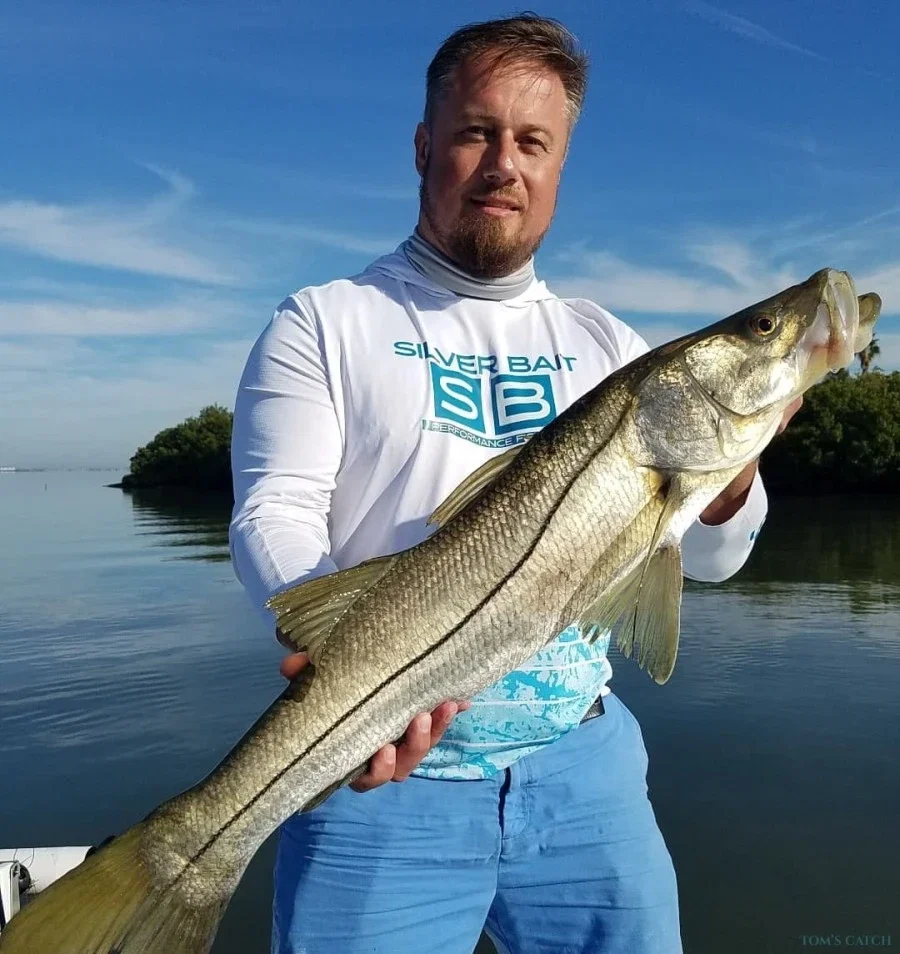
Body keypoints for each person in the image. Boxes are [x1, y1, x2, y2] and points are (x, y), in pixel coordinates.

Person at [229, 14, 797, 954]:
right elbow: (274, 508)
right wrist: (343, 665)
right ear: (424, 146)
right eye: (476, 132)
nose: (504, 164)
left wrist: (731, 482)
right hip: (380, 778)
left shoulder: (611, 345)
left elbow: (707, 563)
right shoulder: (325, 321)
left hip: (587, 770)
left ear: (560, 165)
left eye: (533, 142)